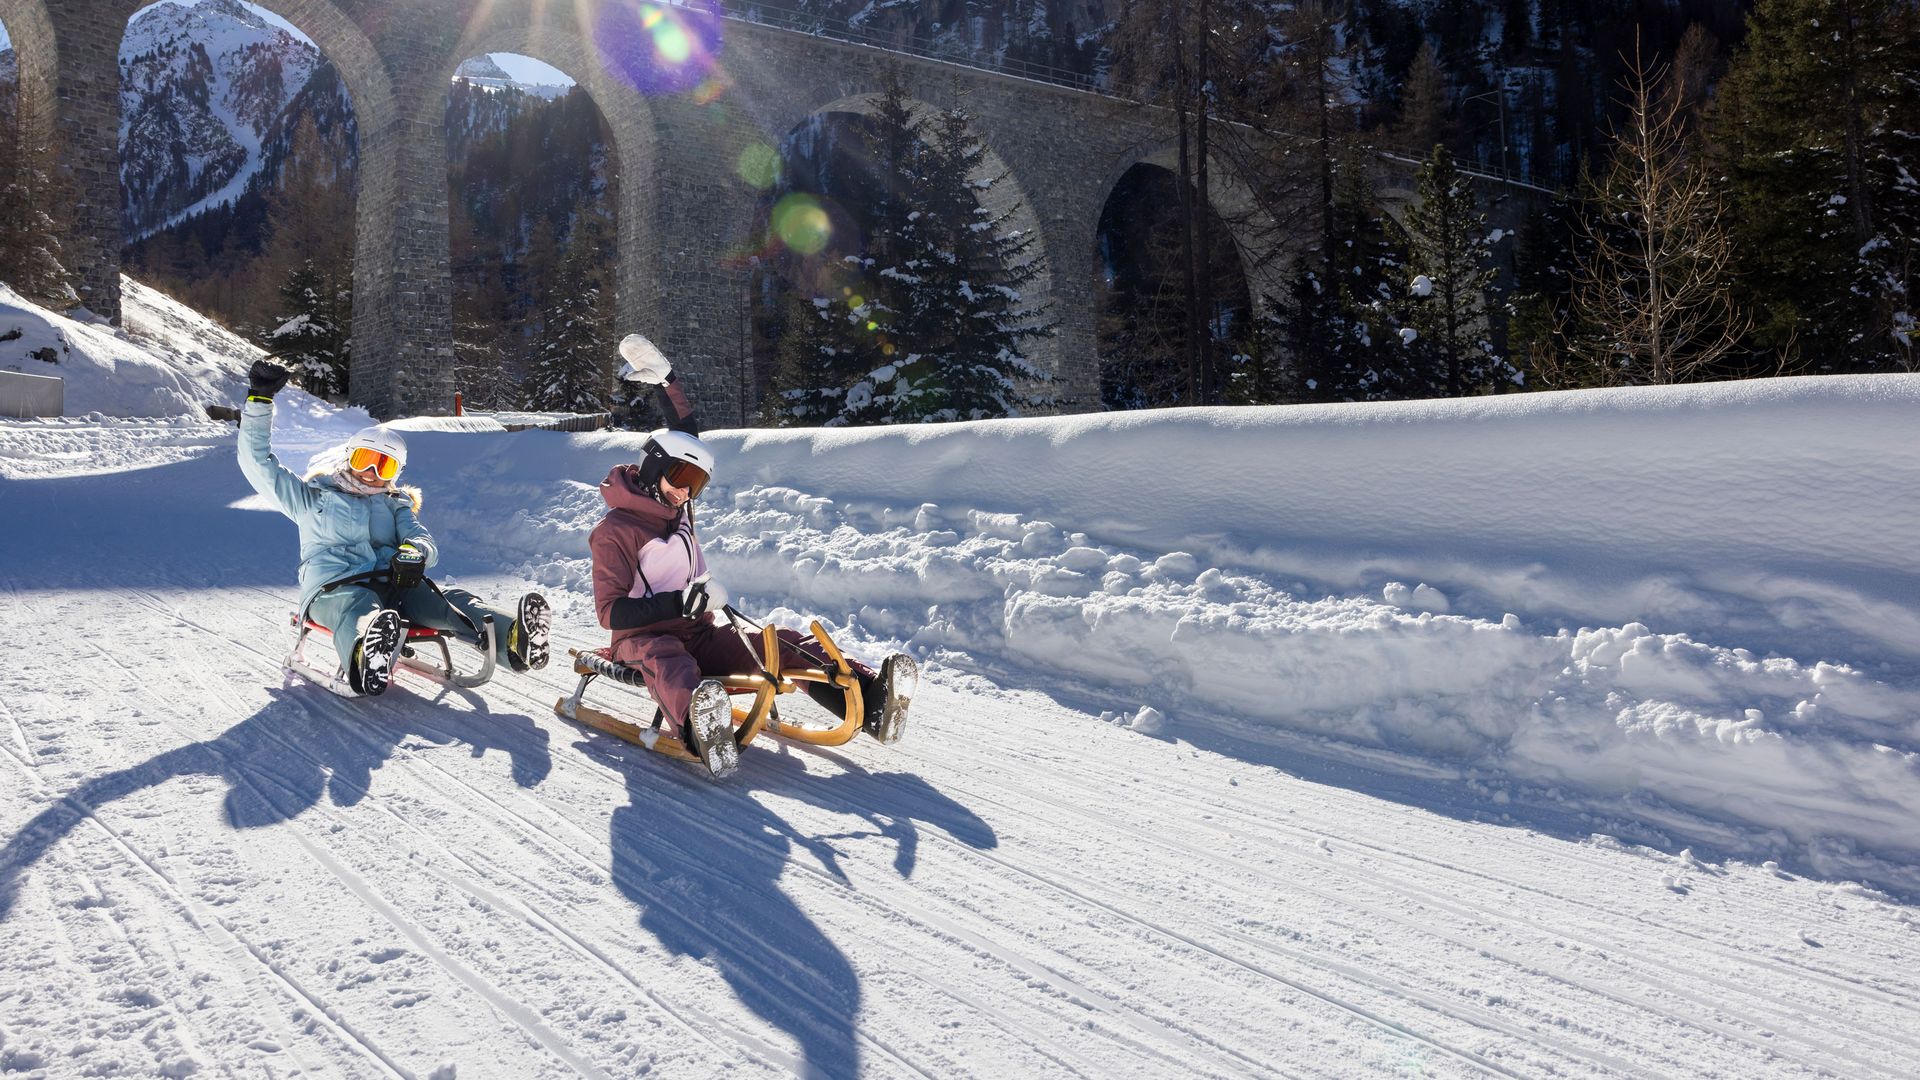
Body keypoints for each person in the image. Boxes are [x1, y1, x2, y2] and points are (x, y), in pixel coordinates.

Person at [589, 333, 916, 778]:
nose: (686, 490)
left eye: (695, 483)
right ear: (652, 468)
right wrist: (676, 604)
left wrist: (668, 381)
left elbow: (687, 434)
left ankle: (869, 700)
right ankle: (705, 731)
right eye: (680, 477)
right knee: (670, 663)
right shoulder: (615, 532)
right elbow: (610, 614)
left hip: (698, 631)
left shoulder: (675, 503)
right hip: (640, 641)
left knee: (778, 644)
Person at [237, 360, 551, 696]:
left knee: (447, 602)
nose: (371, 471)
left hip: (394, 587)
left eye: (383, 465)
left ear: (394, 474)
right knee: (357, 606)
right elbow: (257, 464)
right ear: (348, 458)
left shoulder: (395, 504)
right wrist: (259, 400)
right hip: (333, 590)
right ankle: (366, 655)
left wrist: (415, 553)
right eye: (364, 460)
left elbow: (421, 538)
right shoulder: (312, 497)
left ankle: (515, 639)